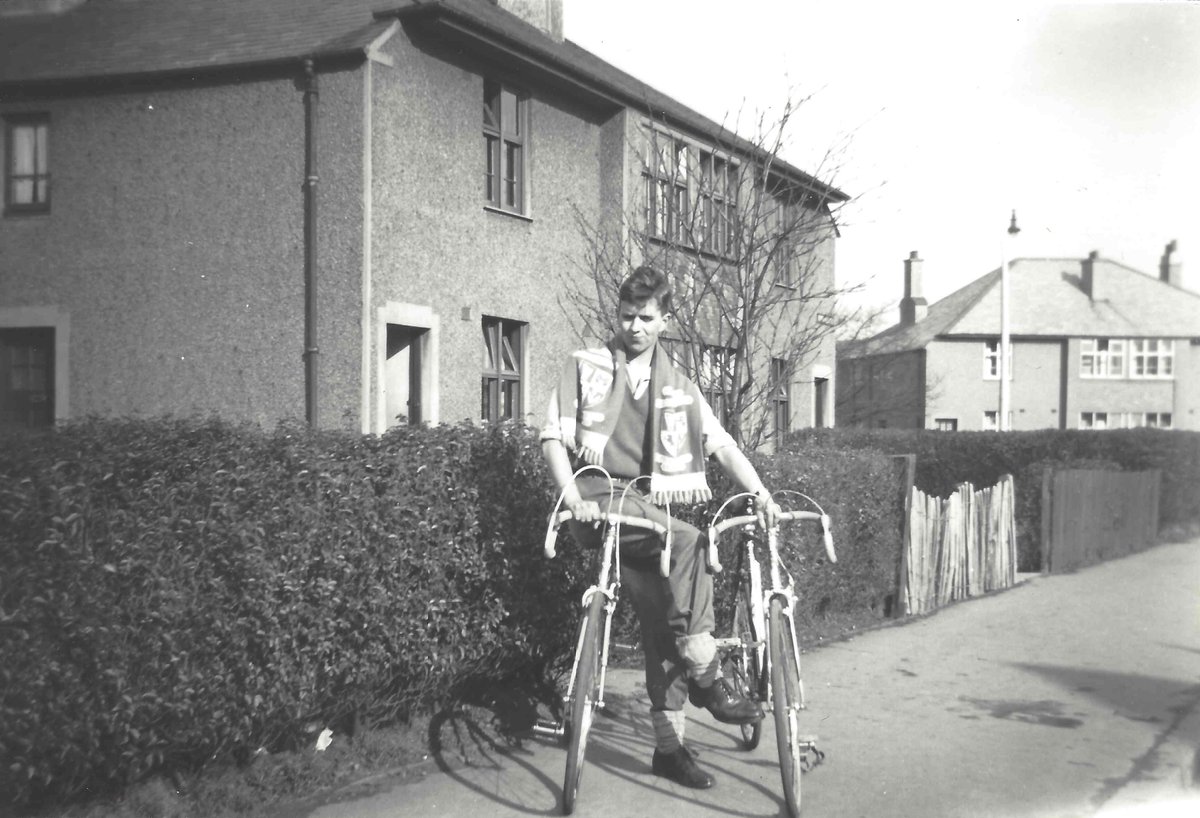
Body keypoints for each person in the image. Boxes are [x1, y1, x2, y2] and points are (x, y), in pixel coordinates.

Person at [540, 264, 784, 790]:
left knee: (664, 621)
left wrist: (760, 493)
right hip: (601, 499)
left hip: (645, 513)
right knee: (692, 540)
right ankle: (709, 678)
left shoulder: (677, 386)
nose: (635, 327)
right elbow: (552, 439)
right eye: (627, 316)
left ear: (664, 320)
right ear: (618, 314)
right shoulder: (586, 366)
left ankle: (669, 750)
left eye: (646, 318)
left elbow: (721, 446)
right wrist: (570, 496)